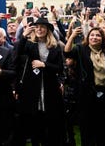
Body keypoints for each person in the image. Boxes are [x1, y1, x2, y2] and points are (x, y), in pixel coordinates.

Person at [15, 17, 65, 146]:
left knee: (50, 122)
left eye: (42, 27)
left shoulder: (55, 46)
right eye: (37, 27)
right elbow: (16, 54)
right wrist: (24, 36)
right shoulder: (29, 44)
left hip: (50, 88)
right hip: (32, 88)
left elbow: (59, 67)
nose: (39, 29)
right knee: (34, 121)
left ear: (47, 29)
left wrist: (44, 64)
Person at [64, 23, 105, 146]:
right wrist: (71, 36)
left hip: (104, 94)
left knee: (103, 127)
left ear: (102, 39)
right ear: (88, 38)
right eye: (92, 35)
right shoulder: (81, 49)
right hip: (86, 94)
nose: (94, 37)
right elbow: (67, 52)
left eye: (98, 35)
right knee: (87, 128)